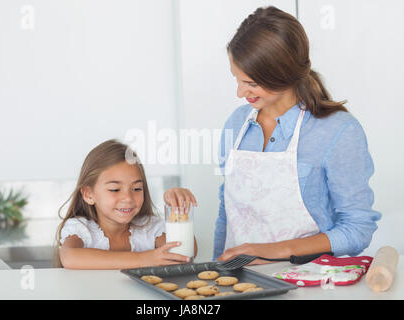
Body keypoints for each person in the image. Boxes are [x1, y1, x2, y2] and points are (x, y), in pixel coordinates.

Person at [165, 6, 381, 264]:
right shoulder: (237, 123)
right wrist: (216, 273)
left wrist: (273, 250)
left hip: (306, 283)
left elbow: (357, 229)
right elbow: (229, 211)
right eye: (237, 79)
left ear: (284, 74)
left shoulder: (338, 131)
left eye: (251, 83)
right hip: (237, 282)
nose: (240, 93)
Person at [55, 139, 197, 269]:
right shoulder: (81, 228)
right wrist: (144, 259)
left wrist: (177, 209)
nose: (128, 198)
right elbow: (70, 257)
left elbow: (183, 255)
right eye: (115, 189)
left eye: (136, 189)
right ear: (88, 194)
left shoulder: (150, 228)